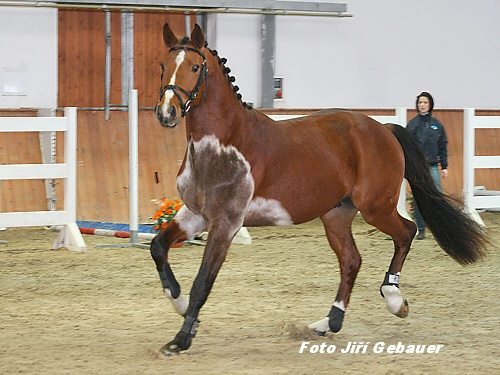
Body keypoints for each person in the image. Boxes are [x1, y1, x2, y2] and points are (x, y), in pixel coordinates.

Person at [407, 91, 448, 240]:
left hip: (432, 167)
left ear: (430, 105)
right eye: (420, 103)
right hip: (418, 168)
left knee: (437, 196)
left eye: (425, 102)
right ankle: (420, 228)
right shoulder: (412, 125)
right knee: (418, 198)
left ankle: (440, 228)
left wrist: (444, 166)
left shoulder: (437, 125)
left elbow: (443, 145)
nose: (422, 105)